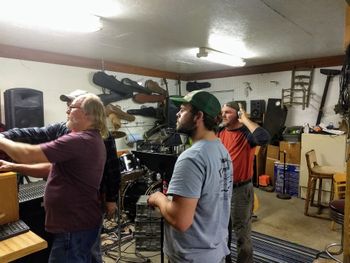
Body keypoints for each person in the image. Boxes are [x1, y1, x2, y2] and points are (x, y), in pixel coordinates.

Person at [0, 90, 121, 263]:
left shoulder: (80, 140)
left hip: (74, 224)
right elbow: (52, 168)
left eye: (72, 107)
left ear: (88, 113)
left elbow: (28, 154)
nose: (67, 110)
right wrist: (13, 166)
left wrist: (1, 140)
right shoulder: (83, 136)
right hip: (76, 223)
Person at [147, 90, 233, 263]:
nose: (177, 113)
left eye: (183, 109)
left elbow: (181, 220)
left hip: (192, 255)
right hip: (214, 250)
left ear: (198, 116)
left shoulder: (192, 157)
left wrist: (158, 198)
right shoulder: (221, 150)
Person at [217, 101, 270, 263]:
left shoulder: (247, 133)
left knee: (242, 233)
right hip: (220, 189)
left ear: (238, 115)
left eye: (228, 112)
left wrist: (245, 119)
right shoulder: (219, 132)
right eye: (222, 112)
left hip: (240, 190)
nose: (224, 115)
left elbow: (264, 138)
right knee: (222, 231)